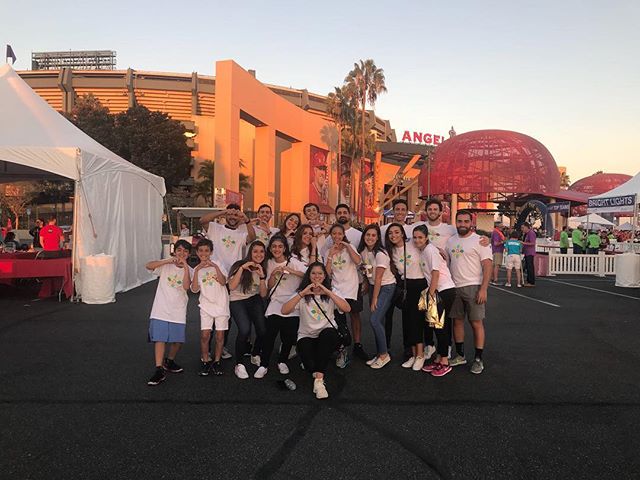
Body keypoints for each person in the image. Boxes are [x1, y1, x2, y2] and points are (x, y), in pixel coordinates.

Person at [282, 262, 351, 399]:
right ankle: (315, 364)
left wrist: (328, 292)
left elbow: (347, 308)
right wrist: (302, 293)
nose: (316, 276)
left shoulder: (332, 291)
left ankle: (319, 381)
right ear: (309, 275)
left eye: (320, 273)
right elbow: (284, 310)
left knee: (327, 335)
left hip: (327, 333)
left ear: (325, 276)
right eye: (313, 273)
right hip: (306, 335)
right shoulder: (301, 293)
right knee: (310, 366)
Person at [446, 210, 492, 375]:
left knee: (476, 323)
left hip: (474, 287)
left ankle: (478, 359)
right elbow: (448, 261)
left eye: (466, 221)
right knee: (456, 322)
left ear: (471, 223)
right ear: (456, 222)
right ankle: (460, 355)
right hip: (454, 287)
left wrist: (484, 289)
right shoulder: (451, 241)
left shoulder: (480, 241)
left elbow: (487, 265)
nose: (463, 224)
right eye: (460, 221)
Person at [321, 204, 368, 362]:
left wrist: (347, 246)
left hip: (352, 288)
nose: (337, 236)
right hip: (337, 289)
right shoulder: (329, 248)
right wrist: (330, 255)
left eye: (339, 234)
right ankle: (342, 348)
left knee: (355, 315)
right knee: (338, 319)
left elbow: (357, 261)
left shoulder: (352, 245)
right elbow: (327, 273)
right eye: (334, 234)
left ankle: (358, 344)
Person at [257, 235, 306, 378]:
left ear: (285, 248)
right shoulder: (268, 263)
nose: (277, 249)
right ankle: (264, 364)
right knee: (269, 335)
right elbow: (269, 286)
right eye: (274, 247)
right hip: (276, 302)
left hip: (292, 303)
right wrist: (272, 275)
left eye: (280, 246)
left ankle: (282, 361)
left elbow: (307, 275)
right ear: (270, 248)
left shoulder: (294, 262)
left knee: (289, 336)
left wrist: (291, 271)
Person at [145, 239, 193, 386]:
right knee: (160, 338)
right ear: (175, 251)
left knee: (177, 341)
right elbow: (148, 265)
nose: (182, 253)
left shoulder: (190, 270)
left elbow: (186, 287)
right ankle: (159, 368)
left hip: (178, 309)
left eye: (185, 251)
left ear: (189, 254)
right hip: (160, 308)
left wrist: (185, 267)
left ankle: (169, 361)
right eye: (179, 250)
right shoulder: (166, 265)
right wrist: (167, 260)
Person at [412, 224, 457, 377]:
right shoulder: (426, 251)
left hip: (444, 290)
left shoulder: (430, 250)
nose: (417, 240)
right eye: (415, 237)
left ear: (426, 238)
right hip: (438, 291)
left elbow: (436, 274)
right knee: (437, 326)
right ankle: (439, 358)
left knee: (440, 327)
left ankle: (444, 361)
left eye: (420, 237)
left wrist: (430, 296)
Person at [386, 223, 432, 371]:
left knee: (418, 321)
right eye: (391, 233)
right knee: (408, 322)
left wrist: (440, 251)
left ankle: (420, 355)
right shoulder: (391, 251)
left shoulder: (412, 242)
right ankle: (412, 354)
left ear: (402, 233)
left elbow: (427, 242)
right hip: (406, 287)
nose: (394, 235)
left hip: (420, 284)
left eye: (397, 232)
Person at [227, 241, 269, 379]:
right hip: (237, 300)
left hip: (254, 298)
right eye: (255, 251)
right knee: (244, 330)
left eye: (261, 251)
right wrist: (242, 268)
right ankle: (239, 364)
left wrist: (262, 276)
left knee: (263, 330)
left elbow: (263, 294)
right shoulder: (239, 265)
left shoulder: (263, 267)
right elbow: (231, 287)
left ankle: (255, 353)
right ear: (250, 252)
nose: (258, 254)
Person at [357, 225, 395, 369]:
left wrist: (374, 299)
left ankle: (384, 354)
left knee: (374, 319)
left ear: (378, 237)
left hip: (386, 287)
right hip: (374, 286)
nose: (370, 238)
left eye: (373, 235)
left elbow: (378, 278)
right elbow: (368, 271)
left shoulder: (381, 253)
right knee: (377, 321)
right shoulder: (364, 251)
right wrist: (367, 283)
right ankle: (380, 353)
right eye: (368, 235)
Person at [190, 239, 229, 376]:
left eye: (207, 250)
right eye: (201, 251)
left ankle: (217, 361)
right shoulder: (196, 269)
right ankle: (205, 360)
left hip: (221, 304)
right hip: (206, 305)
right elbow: (194, 290)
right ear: (197, 252)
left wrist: (215, 267)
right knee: (205, 335)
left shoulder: (218, 264)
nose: (204, 253)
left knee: (219, 335)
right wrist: (197, 271)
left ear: (211, 252)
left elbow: (224, 282)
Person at [200, 204, 257, 274]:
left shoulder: (241, 234)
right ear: (225, 215)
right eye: (230, 215)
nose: (232, 217)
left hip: (233, 274)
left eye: (236, 215)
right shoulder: (214, 228)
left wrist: (247, 220)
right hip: (215, 272)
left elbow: (253, 237)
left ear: (240, 217)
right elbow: (202, 220)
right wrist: (222, 212)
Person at [521, 222, 537, 287]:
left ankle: (531, 282)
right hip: (527, 252)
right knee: (528, 267)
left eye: (523, 227)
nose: (522, 229)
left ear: (526, 227)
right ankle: (529, 281)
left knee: (530, 267)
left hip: (530, 252)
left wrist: (523, 243)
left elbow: (533, 243)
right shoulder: (527, 234)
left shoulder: (531, 233)